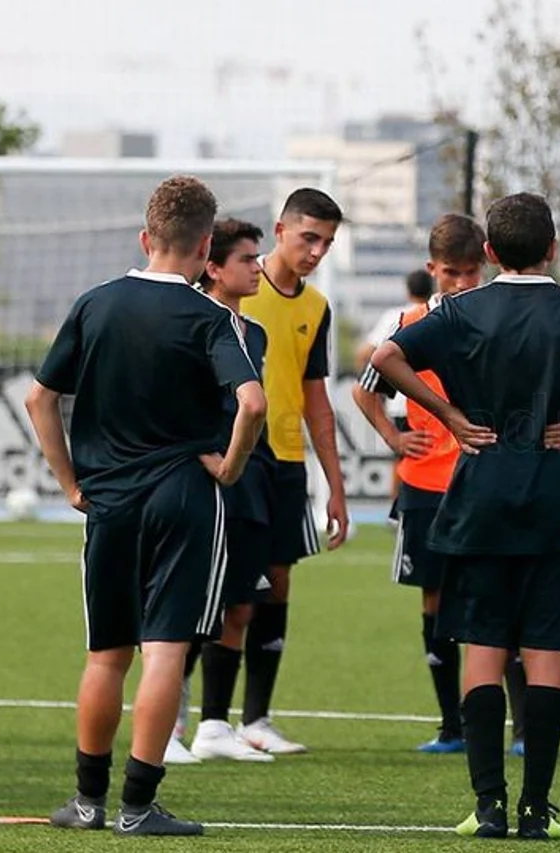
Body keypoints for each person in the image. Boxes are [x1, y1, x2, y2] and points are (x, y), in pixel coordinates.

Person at [369, 192, 560, 841]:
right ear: (553, 250)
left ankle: (489, 805)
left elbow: (385, 359)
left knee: (482, 650)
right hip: (551, 493)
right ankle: (535, 807)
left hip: (477, 493)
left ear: (491, 253)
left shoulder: (462, 309)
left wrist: (447, 414)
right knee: (544, 652)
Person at [25, 177, 267, 836]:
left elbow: (40, 397)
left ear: (145, 237)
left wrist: (71, 482)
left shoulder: (95, 303)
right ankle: (138, 805)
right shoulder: (212, 317)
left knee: (107, 652)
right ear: (203, 247)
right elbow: (252, 401)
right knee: (164, 650)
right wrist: (233, 464)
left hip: (109, 496)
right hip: (183, 494)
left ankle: (87, 801)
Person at [353, 214, 488, 754]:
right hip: (426, 486)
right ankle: (450, 726)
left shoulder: (492, 320)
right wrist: (393, 437)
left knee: (495, 599)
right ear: (432, 269)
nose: (459, 283)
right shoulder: (408, 325)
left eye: (470, 272)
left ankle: (520, 728)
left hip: (481, 483)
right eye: (450, 272)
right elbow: (368, 393)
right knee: (434, 600)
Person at [236, 187, 350, 756]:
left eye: (327, 243)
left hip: (286, 462)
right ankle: (189, 718)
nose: (316, 251)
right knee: (227, 592)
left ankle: (255, 719)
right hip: (235, 460)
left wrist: (336, 485)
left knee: (278, 585)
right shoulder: (234, 285)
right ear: (279, 230)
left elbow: (317, 402)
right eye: (309, 237)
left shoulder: (316, 308)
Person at [185, 218, 285, 765]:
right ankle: (171, 729)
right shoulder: (194, 323)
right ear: (213, 267)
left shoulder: (257, 333)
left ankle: (215, 725)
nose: (258, 266)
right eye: (248, 258)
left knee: (241, 605)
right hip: (204, 483)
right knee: (191, 605)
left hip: (248, 481)